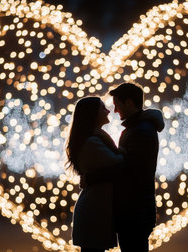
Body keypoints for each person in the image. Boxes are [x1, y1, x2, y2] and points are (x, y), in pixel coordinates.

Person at [86, 82, 165, 251]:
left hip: (134, 211)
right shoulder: (136, 129)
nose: (115, 111)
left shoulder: (141, 131)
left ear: (128, 102)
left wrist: (91, 178)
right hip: (133, 209)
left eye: (117, 105)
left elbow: (128, 170)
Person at [66, 96, 124, 252]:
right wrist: (126, 150)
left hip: (96, 208)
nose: (107, 111)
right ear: (92, 114)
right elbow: (120, 165)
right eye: (102, 108)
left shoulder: (94, 139)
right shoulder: (92, 142)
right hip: (94, 210)